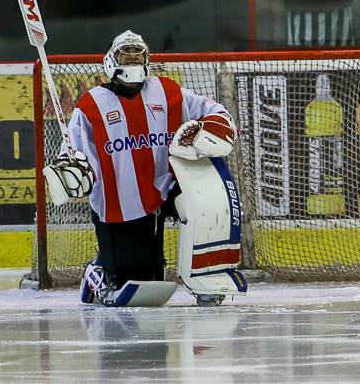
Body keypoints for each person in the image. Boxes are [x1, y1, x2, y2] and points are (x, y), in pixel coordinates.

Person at [44, 30, 238, 305]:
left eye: (138, 57)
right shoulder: (91, 105)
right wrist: (72, 171)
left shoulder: (168, 91)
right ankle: (98, 274)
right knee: (143, 287)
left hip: (165, 187)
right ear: (112, 60)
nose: (133, 62)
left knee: (208, 200)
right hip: (119, 203)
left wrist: (213, 126)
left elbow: (213, 110)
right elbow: (73, 154)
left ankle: (207, 276)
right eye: (127, 57)